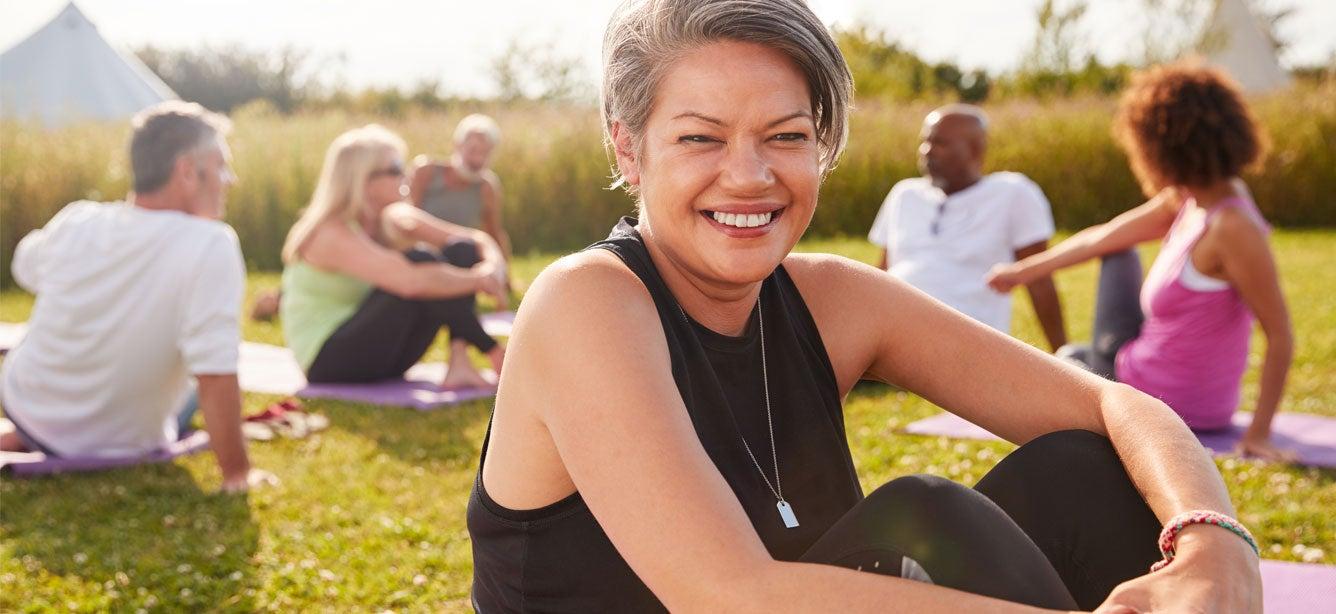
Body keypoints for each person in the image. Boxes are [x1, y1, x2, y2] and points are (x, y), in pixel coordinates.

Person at [466, 1, 1262, 612]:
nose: (748, 177)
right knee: (927, 512)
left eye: (783, 136)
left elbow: (1111, 404)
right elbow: (731, 596)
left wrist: (1211, 539)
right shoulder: (586, 302)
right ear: (628, 150)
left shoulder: (832, 298)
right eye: (700, 139)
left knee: (1081, 468)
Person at [987, 62, 1294, 462]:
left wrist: (1259, 434)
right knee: (1112, 260)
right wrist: (1021, 273)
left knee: (1070, 359)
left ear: (1161, 148)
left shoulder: (1231, 228)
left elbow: (1281, 334)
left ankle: (1075, 365)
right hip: (1172, 387)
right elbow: (1104, 234)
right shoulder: (1196, 199)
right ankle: (1077, 364)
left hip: (1157, 396)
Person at [0, 101, 273, 492]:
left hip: (27, 404)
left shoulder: (79, 219)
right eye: (220, 166)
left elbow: (25, 266)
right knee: (193, 392)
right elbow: (214, 373)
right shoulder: (211, 243)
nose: (229, 179)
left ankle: (34, 434)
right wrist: (238, 474)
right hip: (117, 440)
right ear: (187, 171)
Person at [279, 125, 508, 390]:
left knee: (460, 249)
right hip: (329, 361)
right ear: (364, 180)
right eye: (396, 168)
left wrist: (493, 267)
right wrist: (479, 281)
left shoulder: (393, 218)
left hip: (386, 357)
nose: (406, 175)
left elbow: (475, 240)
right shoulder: (329, 232)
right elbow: (411, 282)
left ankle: (459, 363)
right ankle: (496, 354)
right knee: (420, 261)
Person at [867, 104, 1066, 350]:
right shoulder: (904, 194)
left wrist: (1062, 353)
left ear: (975, 149)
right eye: (925, 142)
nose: (927, 151)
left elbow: (1039, 280)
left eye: (940, 143)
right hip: (885, 334)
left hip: (963, 342)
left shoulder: (1013, 194)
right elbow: (882, 273)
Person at [410, 114, 512, 265]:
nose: (478, 160)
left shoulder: (487, 186)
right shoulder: (426, 171)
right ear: (457, 145)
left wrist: (505, 275)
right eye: (473, 150)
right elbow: (407, 218)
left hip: (461, 258)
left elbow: (494, 233)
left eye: (485, 152)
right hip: (421, 256)